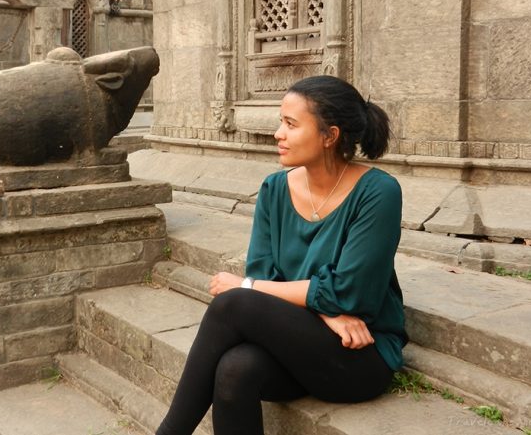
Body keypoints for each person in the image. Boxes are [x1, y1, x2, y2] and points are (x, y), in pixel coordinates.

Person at [155, 75, 408, 435]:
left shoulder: (378, 192)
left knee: (235, 301)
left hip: (359, 355)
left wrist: (250, 287)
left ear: (329, 136)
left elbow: (352, 295)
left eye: (291, 124)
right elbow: (266, 276)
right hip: (297, 342)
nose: (278, 133)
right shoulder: (274, 189)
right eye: (280, 122)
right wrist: (328, 312)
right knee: (235, 368)